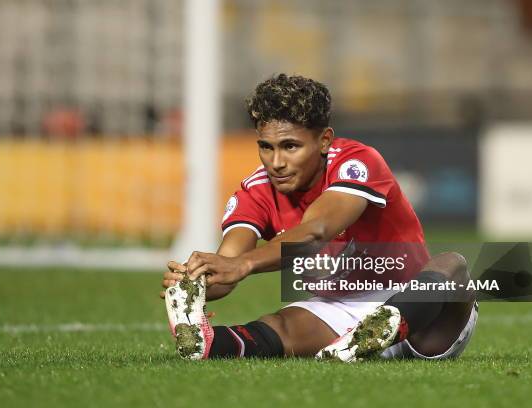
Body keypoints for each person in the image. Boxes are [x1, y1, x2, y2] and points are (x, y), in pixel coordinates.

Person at [160, 74, 477, 362]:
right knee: (278, 326)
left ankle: (386, 324)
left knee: (452, 265)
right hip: (341, 312)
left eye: (290, 146)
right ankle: (206, 344)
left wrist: (241, 265)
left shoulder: (356, 162)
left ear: (324, 140)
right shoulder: (255, 191)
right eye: (266, 148)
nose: (276, 162)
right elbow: (229, 261)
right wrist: (197, 282)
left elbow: (317, 231)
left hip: (420, 308)